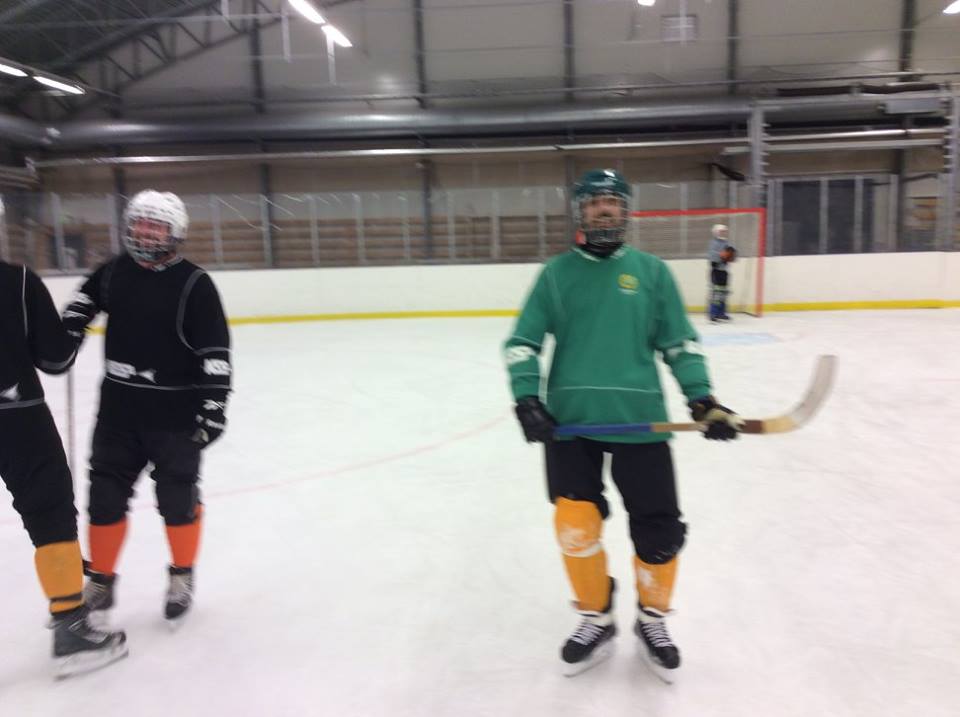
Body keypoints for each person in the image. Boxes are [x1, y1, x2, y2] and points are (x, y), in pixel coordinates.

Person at [503, 169, 743, 679]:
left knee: (660, 533)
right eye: (594, 202)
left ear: (626, 210)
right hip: (571, 425)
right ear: (581, 211)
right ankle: (597, 616)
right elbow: (521, 343)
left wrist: (702, 400)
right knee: (574, 526)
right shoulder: (556, 275)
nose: (604, 208)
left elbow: (680, 344)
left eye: (612, 200)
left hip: (641, 424)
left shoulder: (652, 273)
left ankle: (652, 619)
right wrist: (526, 398)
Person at [61, 190, 232, 628]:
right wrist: (71, 327)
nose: (145, 233)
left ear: (175, 233)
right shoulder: (113, 272)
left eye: (155, 226)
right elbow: (83, 301)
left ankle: (181, 575)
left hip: (175, 418)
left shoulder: (195, 284)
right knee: (104, 499)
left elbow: (215, 352)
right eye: (139, 224)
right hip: (117, 415)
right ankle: (101, 579)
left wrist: (214, 406)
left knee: (178, 500)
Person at [0, 260, 127, 678]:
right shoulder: (17, 280)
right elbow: (55, 359)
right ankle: (70, 625)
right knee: (49, 511)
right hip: (16, 416)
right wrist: (73, 322)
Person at [707, 223, 736, 322]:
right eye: (721, 231)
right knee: (717, 293)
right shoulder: (713, 243)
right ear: (716, 232)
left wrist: (731, 256)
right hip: (716, 271)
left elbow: (732, 255)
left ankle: (721, 313)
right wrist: (721, 255)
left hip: (724, 271)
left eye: (724, 232)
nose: (723, 233)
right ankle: (713, 313)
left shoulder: (727, 243)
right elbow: (711, 256)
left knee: (723, 293)